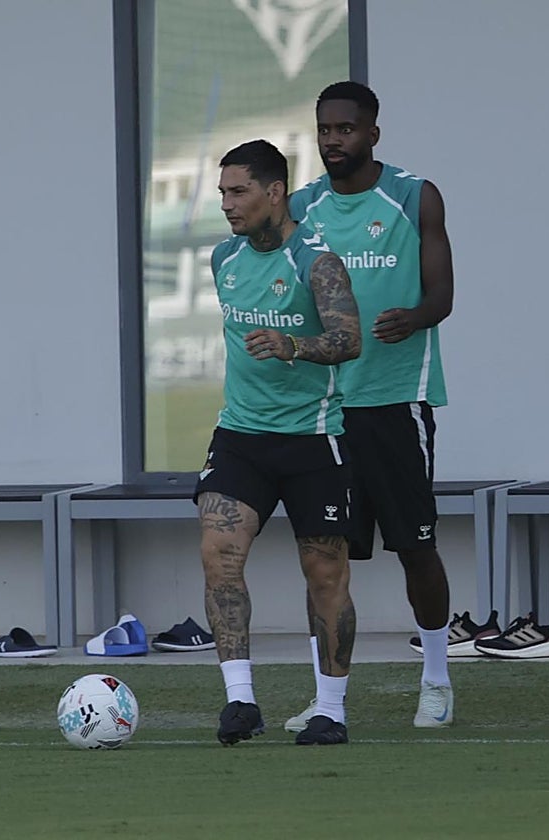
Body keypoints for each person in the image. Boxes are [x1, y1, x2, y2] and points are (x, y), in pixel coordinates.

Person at [285, 80, 466, 730]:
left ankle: (438, 679)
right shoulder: (302, 208)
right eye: (325, 129)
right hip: (326, 412)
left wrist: (413, 317)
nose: (334, 140)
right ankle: (326, 698)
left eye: (346, 129)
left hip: (396, 403)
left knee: (416, 548)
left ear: (372, 134)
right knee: (325, 556)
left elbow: (443, 297)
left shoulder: (415, 197)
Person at [197, 138, 362, 747]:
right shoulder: (224, 259)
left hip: (312, 441)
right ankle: (240, 702)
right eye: (222, 193)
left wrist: (293, 345)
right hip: (241, 437)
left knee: (324, 574)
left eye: (238, 192)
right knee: (219, 557)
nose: (227, 205)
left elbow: (350, 341)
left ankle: (330, 710)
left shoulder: (317, 262)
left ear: (274, 192)